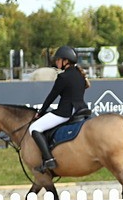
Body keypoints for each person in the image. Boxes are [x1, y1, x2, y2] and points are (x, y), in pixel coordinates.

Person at [29, 45, 89, 173]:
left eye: (58, 60)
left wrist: (40, 112)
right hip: (80, 109)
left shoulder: (63, 77)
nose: (56, 62)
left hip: (65, 112)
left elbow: (51, 96)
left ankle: (49, 160)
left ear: (65, 61)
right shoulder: (80, 75)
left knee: (34, 128)